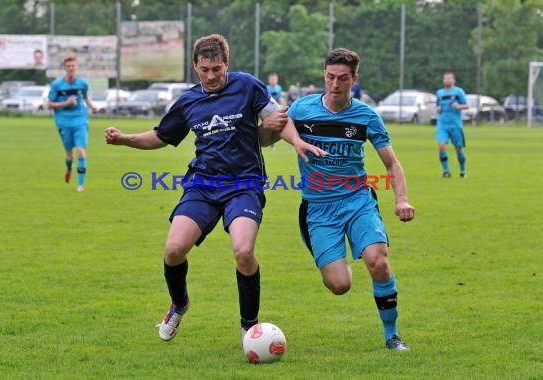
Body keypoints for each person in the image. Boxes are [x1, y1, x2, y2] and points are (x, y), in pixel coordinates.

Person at [104, 34, 324, 344]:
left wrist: (297, 140)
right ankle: (179, 304)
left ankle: (250, 327)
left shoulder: (247, 85)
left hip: (244, 184)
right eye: (205, 69)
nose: (211, 76)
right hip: (203, 185)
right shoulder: (188, 101)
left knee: (243, 251)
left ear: (227, 65)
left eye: (217, 69)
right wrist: (125, 139)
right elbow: (160, 136)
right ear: (195, 66)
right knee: (173, 249)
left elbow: (276, 118)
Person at [276, 48, 415, 350]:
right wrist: (284, 134)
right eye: (329, 77)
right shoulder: (301, 109)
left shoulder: (366, 117)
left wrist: (401, 199)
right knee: (340, 285)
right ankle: (338, 258)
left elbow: (391, 163)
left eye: (342, 78)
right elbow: (272, 133)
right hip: (319, 209)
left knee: (377, 261)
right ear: (324, 75)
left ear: (354, 78)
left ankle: (392, 335)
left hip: (357, 201)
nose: (335, 84)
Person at [48, 56, 97, 192]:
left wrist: (92, 106)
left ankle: (80, 185)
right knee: (70, 155)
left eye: (73, 66)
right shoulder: (57, 85)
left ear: (76, 67)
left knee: (81, 151)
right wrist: (66, 103)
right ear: (64, 68)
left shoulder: (82, 83)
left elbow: (85, 97)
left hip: (80, 119)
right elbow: (49, 104)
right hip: (63, 121)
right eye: (68, 66)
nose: (71, 68)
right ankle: (69, 168)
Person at [435, 71, 469, 178]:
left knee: (458, 148)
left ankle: (462, 171)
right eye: (445, 78)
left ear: (453, 80)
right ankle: (446, 171)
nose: (447, 80)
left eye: (449, 78)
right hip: (442, 125)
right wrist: (438, 109)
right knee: (441, 146)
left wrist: (459, 106)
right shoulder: (439, 93)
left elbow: (467, 105)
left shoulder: (459, 92)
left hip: (455, 125)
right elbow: (437, 107)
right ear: (443, 80)